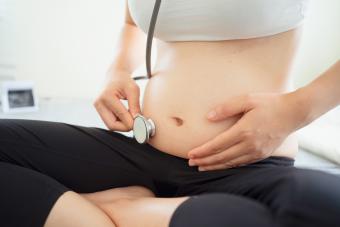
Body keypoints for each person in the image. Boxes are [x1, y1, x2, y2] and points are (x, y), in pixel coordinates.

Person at [1, 0, 340, 226]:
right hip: (142, 153)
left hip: (246, 165)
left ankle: (123, 209)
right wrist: (117, 70)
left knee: (322, 204)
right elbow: (133, 22)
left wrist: (299, 109)